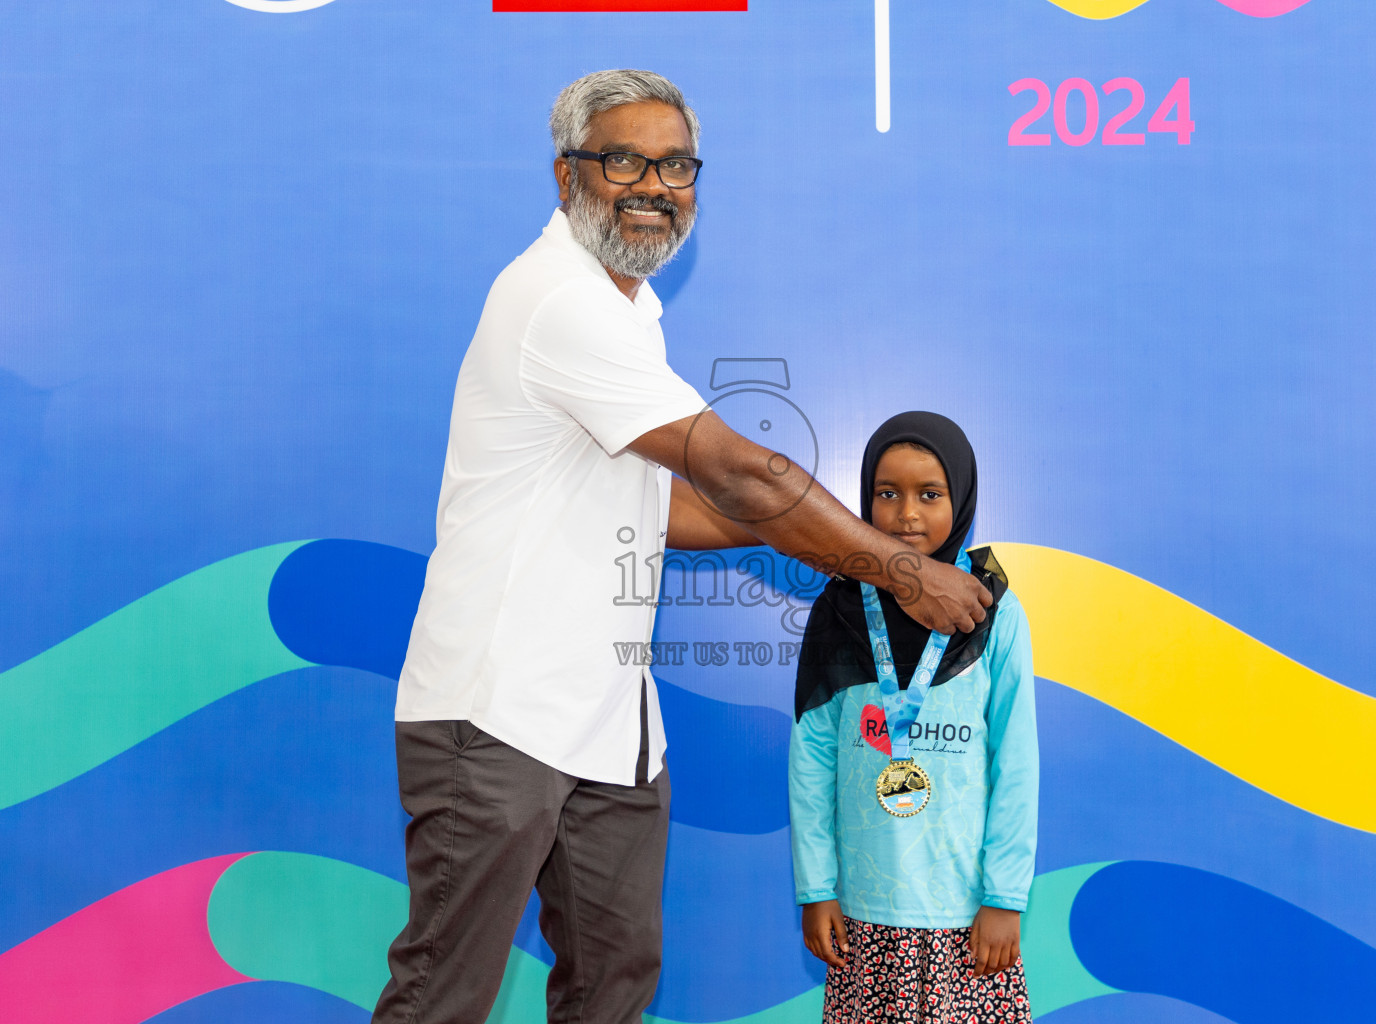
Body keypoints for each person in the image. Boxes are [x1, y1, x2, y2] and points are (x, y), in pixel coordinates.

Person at [371, 72, 993, 1024]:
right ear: (566, 174)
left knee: (616, 990)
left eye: (675, 164)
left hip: (611, 728)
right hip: (495, 720)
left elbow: (667, 510)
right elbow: (745, 477)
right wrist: (901, 567)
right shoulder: (557, 301)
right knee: (442, 999)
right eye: (623, 159)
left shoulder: (630, 313)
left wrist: (826, 532)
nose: (653, 183)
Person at [790, 412, 1039, 1023]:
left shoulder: (996, 615)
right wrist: (817, 887)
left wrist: (1004, 896)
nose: (907, 514)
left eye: (930, 494)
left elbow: (1016, 762)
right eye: (886, 493)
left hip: (968, 921)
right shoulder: (840, 612)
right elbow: (812, 757)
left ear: (963, 498)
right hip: (863, 919)